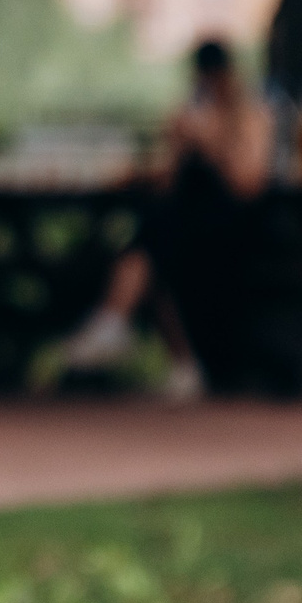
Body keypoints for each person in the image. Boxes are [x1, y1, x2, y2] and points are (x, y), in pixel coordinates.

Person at [59, 38, 276, 397]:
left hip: (234, 231)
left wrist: (212, 144)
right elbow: (167, 184)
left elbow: (249, 185)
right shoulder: (189, 114)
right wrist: (173, 148)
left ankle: (116, 323)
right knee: (154, 244)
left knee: (154, 245)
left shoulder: (252, 115)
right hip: (186, 229)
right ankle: (134, 335)